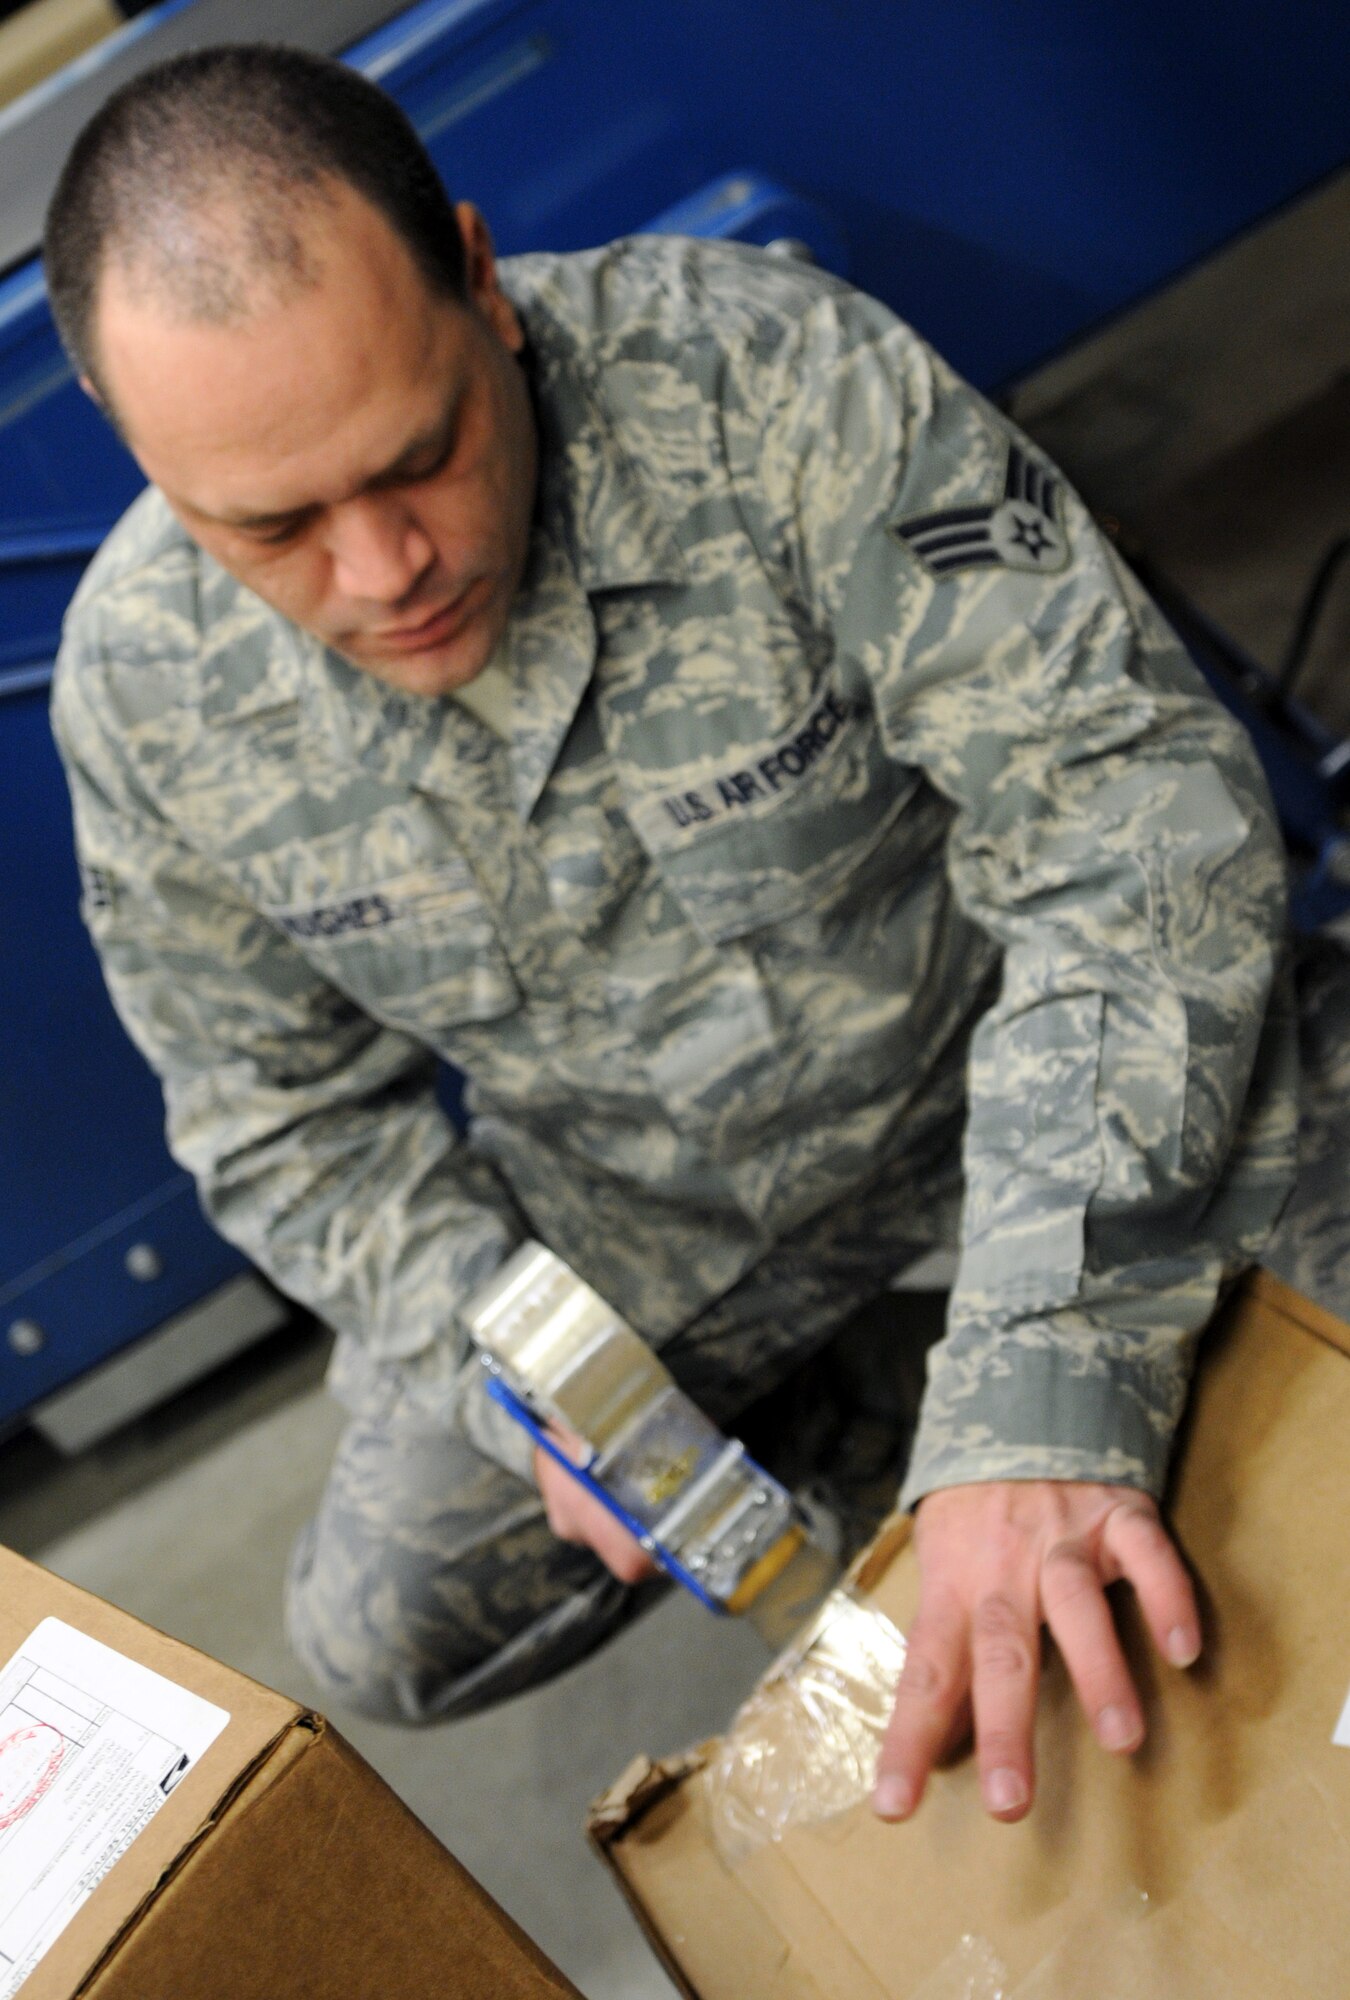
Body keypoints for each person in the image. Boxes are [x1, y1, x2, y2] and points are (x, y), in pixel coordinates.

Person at [45, 44, 1297, 1826]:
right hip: (655, 1228)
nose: (385, 565)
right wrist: (533, 1384)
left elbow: (1125, 824)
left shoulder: (766, 377)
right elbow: (278, 1119)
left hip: (1020, 1075)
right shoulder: (142, 684)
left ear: (480, 278)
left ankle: (978, 1410)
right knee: (383, 1623)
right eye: (272, 524)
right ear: (140, 446)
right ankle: (885, 1437)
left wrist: (1041, 1373)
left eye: (419, 455)